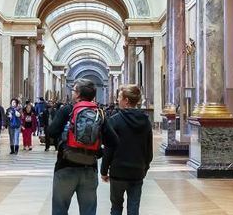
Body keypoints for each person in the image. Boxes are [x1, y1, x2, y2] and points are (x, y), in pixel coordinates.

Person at [47, 78, 118, 215]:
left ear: (78, 94)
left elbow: (52, 132)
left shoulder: (67, 110)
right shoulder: (99, 112)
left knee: (60, 209)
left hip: (65, 165)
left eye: (73, 90)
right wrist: (98, 150)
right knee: (88, 211)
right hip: (89, 168)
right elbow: (113, 141)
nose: (72, 92)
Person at [101, 85, 153, 215]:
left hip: (118, 172)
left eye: (119, 97)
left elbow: (109, 148)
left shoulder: (115, 121)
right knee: (134, 208)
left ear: (126, 100)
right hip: (137, 171)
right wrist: (144, 167)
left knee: (116, 207)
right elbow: (149, 150)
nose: (117, 100)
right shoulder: (145, 121)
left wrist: (104, 170)